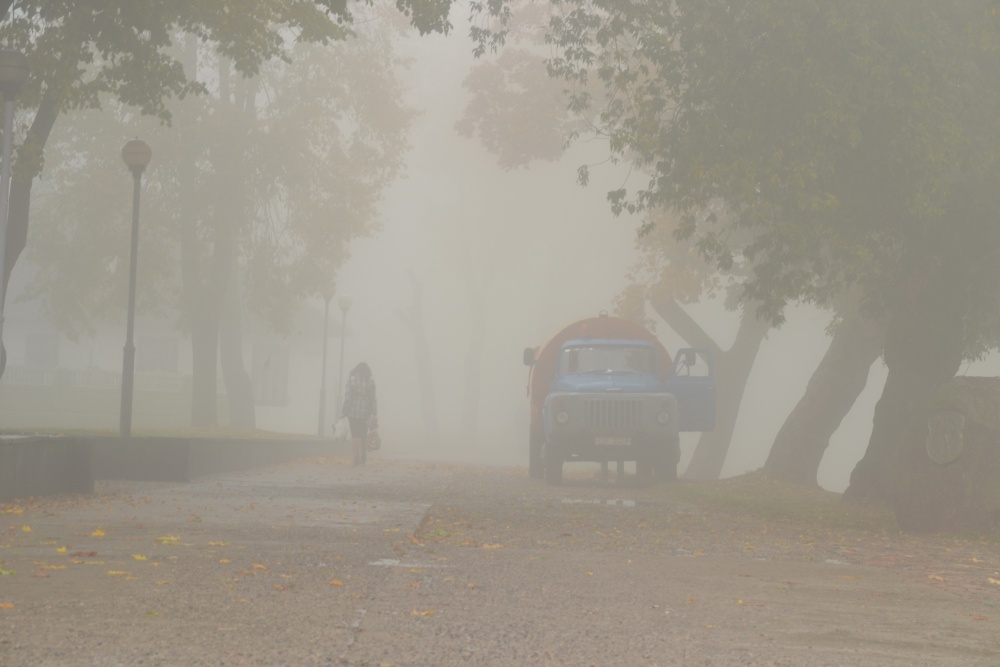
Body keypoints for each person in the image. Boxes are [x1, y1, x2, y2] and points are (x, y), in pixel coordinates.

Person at [341, 362, 377, 466]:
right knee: (363, 435)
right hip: (365, 412)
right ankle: (363, 457)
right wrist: (374, 412)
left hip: (353, 411)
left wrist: (344, 411)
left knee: (355, 435)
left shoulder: (351, 379)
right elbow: (373, 398)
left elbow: (348, 397)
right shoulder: (370, 381)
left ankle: (355, 457)